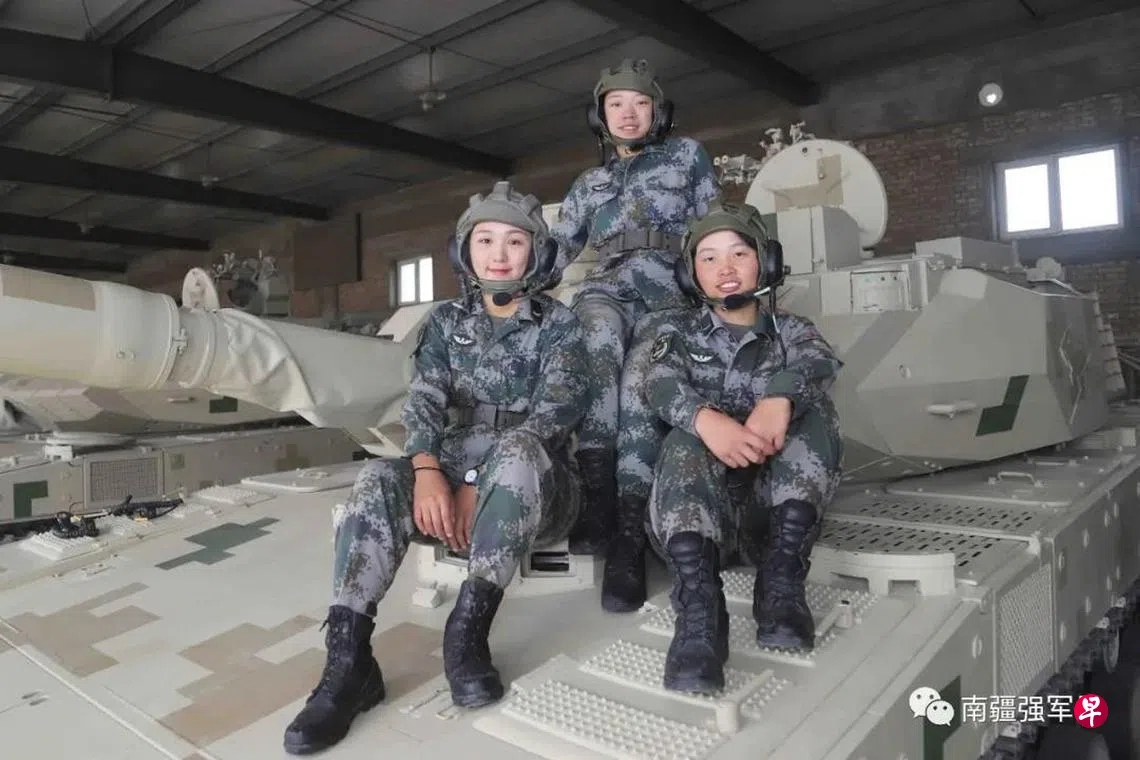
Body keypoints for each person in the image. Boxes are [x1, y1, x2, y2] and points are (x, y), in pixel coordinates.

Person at [283, 181, 589, 755]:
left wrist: (475, 484)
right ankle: (348, 664)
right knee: (377, 478)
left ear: (536, 252)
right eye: (485, 240)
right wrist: (425, 469)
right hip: (447, 477)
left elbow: (553, 414)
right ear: (464, 251)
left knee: (519, 454)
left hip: (538, 488)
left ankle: (466, 635)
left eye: (515, 241)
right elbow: (423, 400)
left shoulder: (561, 326)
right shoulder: (446, 322)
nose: (499, 255)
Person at [639, 201, 844, 694]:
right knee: (685, 438)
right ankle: (699, 616)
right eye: (708, 258)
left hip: (766, 525)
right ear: (691, 274)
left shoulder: (790, 332)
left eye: (739, 254)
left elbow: (820, 362)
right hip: (694, 529)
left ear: (765, 263)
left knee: (814, 412)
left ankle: (781, 586)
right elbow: (659, 383)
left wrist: (779, 397)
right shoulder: (678, 334)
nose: (725, 268)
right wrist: (706, 420)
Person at [549, 57, 721, 564]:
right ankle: (598, 498)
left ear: (658, 112)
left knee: (642, 378)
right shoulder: (589, 184)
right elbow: (556, 250)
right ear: (599, 116)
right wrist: (507, 281)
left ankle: (630, 521)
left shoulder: (687, 156)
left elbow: (715, 225)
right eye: (616, 104)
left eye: (640, 103)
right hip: (606, 290)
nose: (628, 114)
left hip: (670, 292)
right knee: (596, 345)